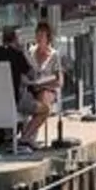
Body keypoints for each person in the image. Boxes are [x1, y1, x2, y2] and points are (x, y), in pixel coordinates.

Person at [20, 21, 63, 149]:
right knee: (32, 99)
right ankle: (28, 137)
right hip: (32, 87)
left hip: (48, 89)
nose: (38, 38)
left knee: (43, 98)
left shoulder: (54, 55)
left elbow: (60, 81)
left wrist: (45, 84)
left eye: (42, 36)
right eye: (37, 35)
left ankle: (26, 136)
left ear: (48, 38)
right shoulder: (31, 52)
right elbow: (25, 72)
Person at [0, 28, 32, 104]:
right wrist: (24, 51)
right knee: (45, 108)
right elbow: (30, 73)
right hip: (15, 100)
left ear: (2, 39)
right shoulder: (17, 54)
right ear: (15, 39)